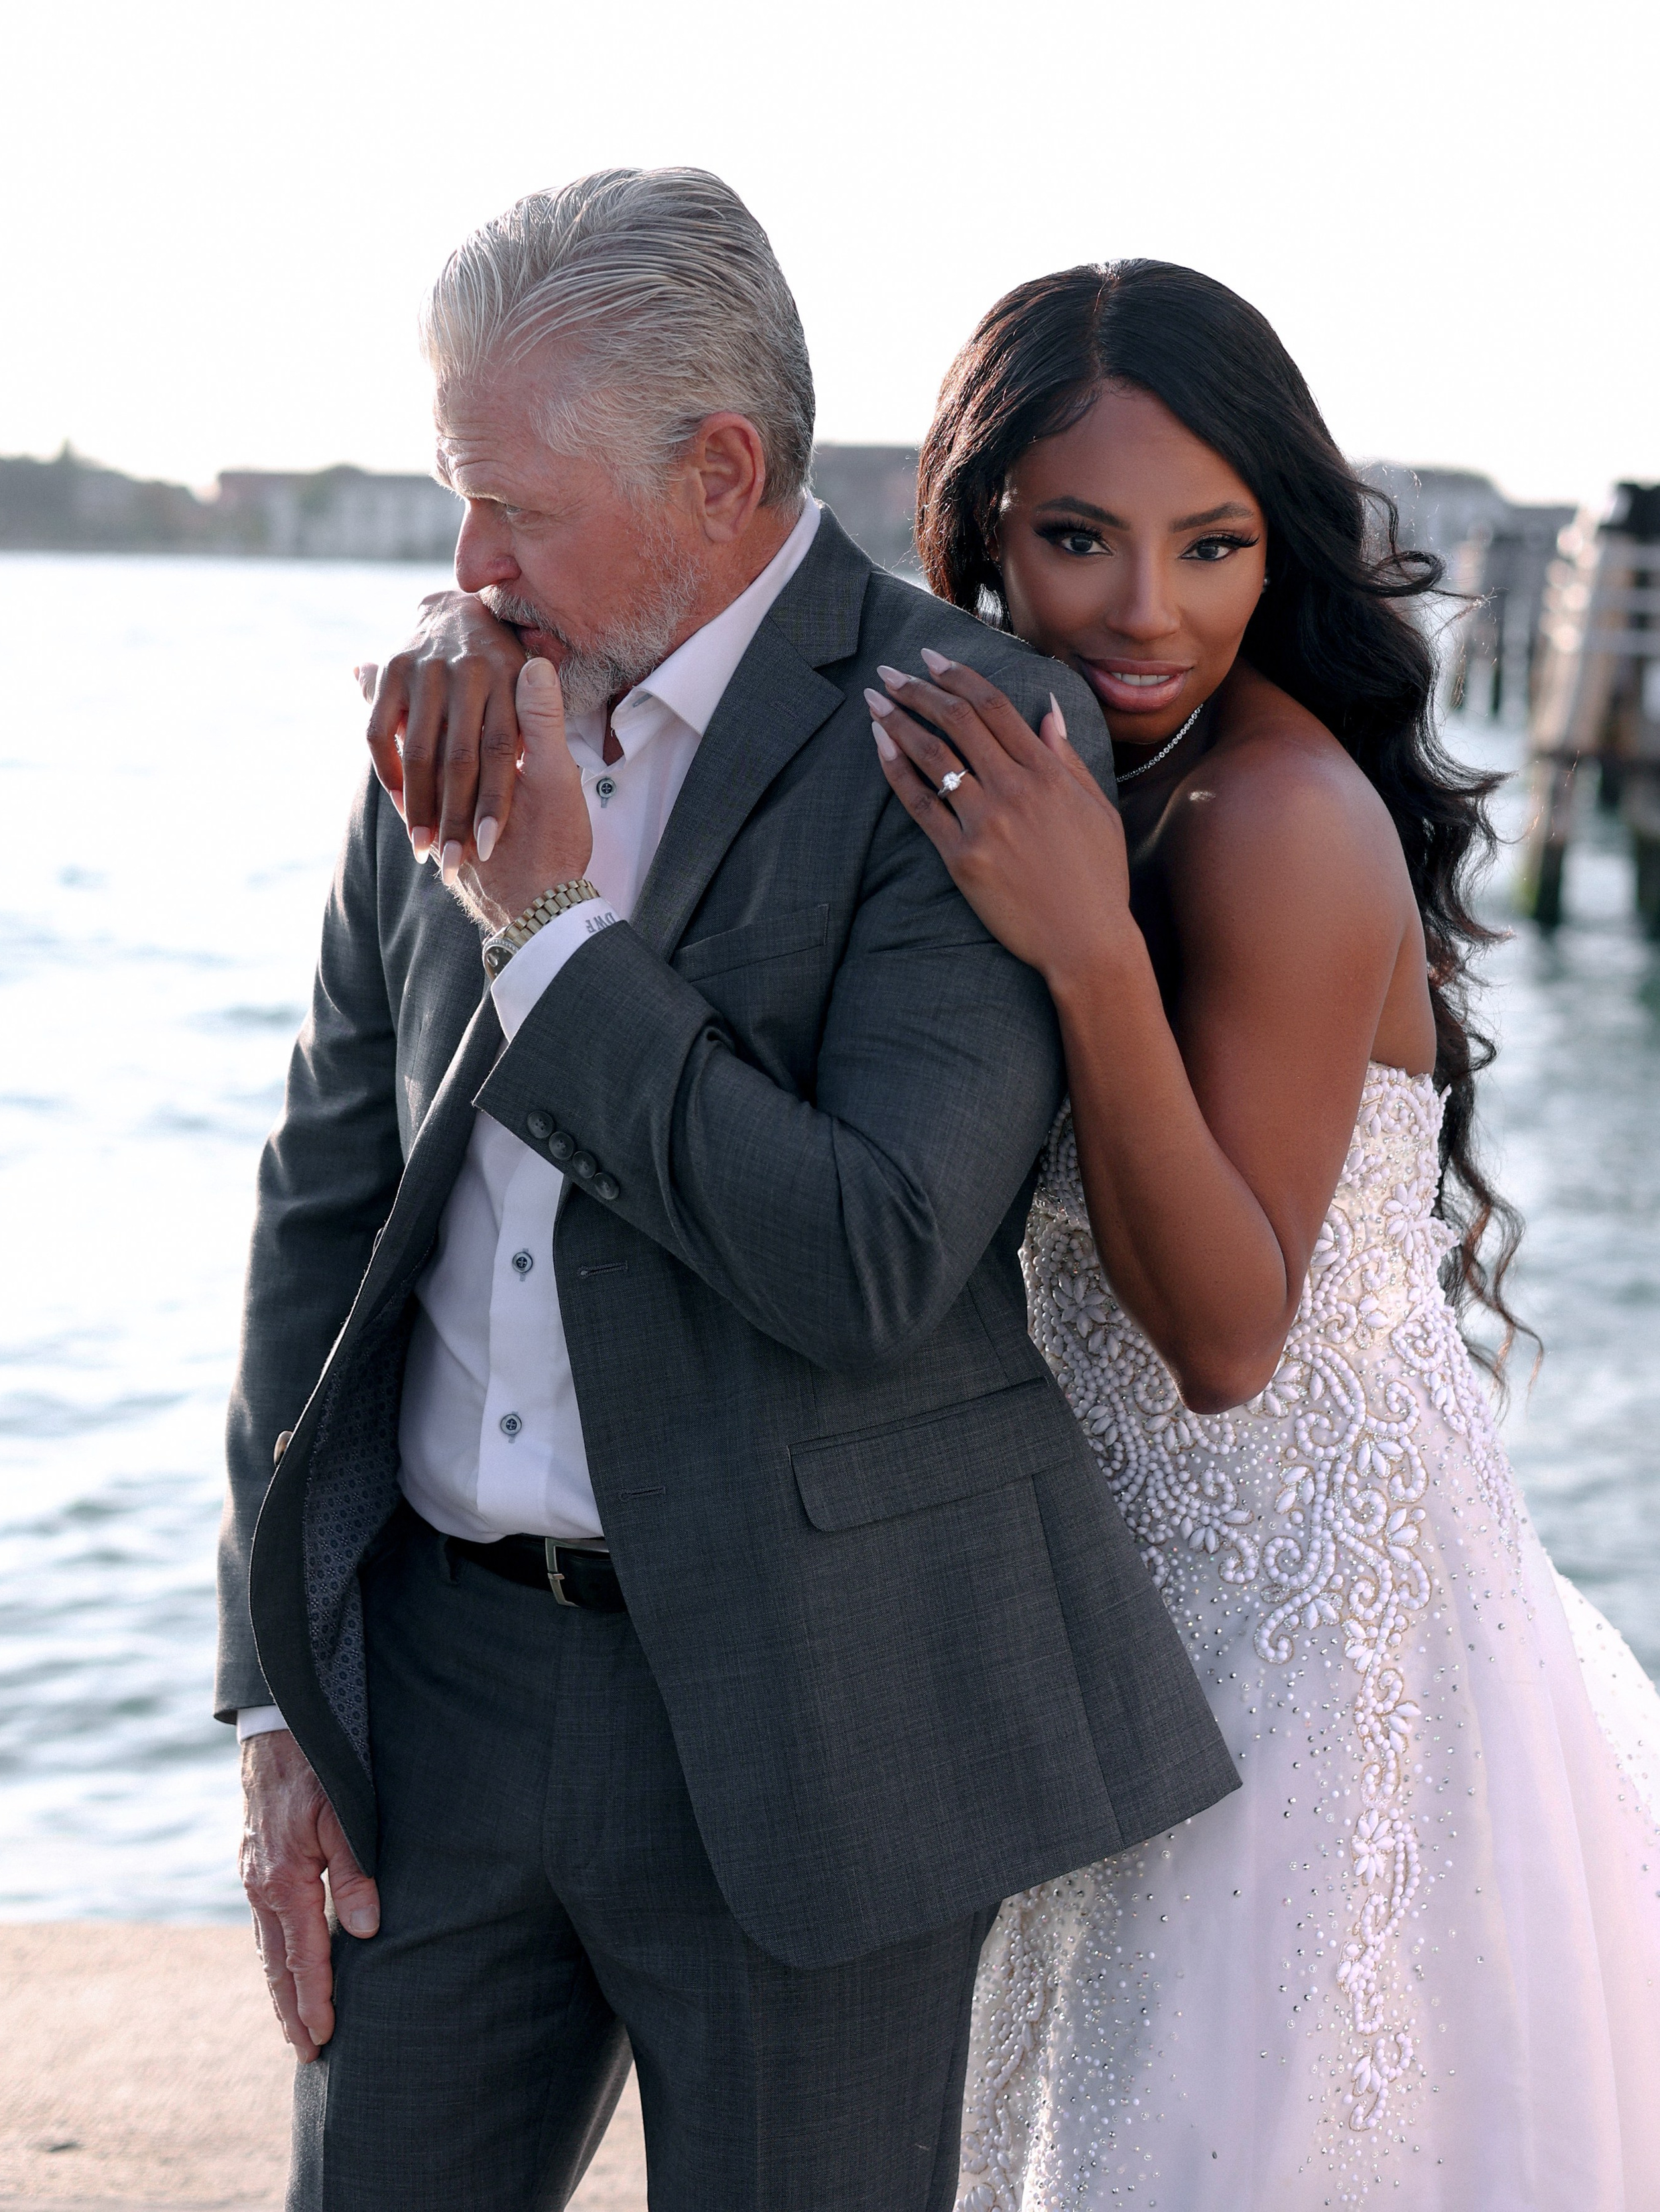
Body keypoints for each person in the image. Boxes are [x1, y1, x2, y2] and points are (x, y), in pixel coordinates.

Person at [217, 173, 1239, 2212]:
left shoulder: (970, 737)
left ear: (720, 472)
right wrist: (278, 1687)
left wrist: (549, 933)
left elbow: (869, 1257)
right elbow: (320, 1210)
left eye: (518, 505)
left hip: (810, 1723)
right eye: (458, 490)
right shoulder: (441, 709)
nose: (466, 559)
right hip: (432, 1702)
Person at [863, 259, 1660, 2210]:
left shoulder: (1271, 818)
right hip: (1105, 1628)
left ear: (1273, 540)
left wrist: (1087, 955)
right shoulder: (1066, 772)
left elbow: (1228, 1343)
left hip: (1306, 1652)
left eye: (1211, 544)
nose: (1149, 609)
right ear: (975, 531)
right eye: (1080, 539)